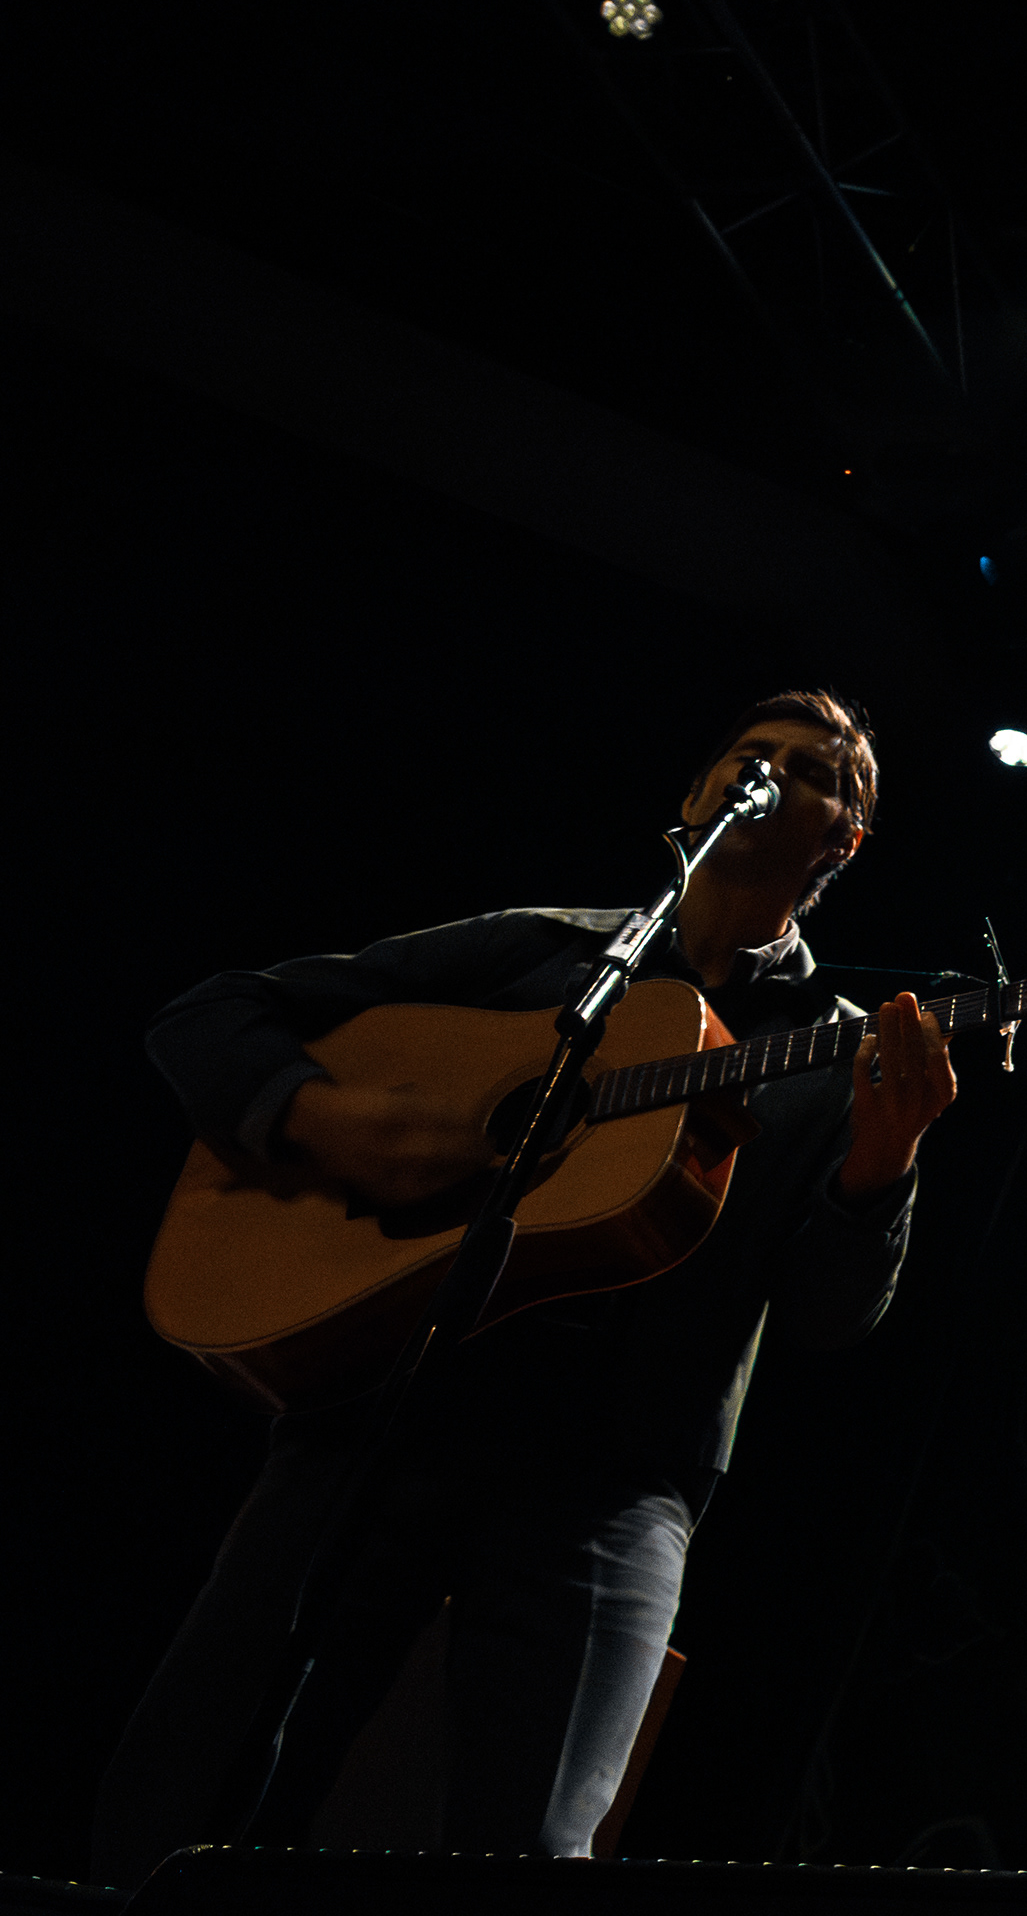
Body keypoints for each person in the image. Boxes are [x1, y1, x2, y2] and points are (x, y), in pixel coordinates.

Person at [93, 691, 959, 1881]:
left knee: (534, 1847)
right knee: (191, 1782)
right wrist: (324, 1117)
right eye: (747, 754)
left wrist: (883, 1162)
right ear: (696, 794)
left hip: (612, 1477)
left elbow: (826, 1316)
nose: (763, 773)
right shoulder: (546, 951)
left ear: (840, 842)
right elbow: (211, 1014)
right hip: (389, 1418)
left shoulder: (838, 1048)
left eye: (807, 770)